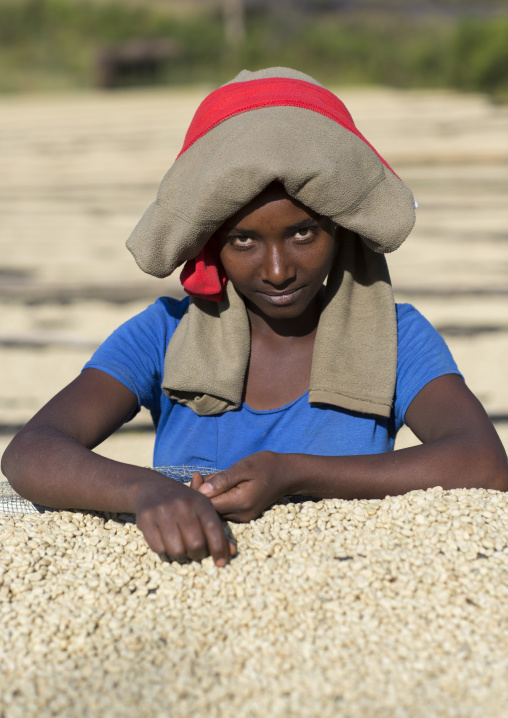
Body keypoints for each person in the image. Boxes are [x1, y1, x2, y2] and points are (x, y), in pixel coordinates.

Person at [2, 68, 507, 567]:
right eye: (243, 239)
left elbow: (483, 462)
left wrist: (293, 474)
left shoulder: (396, 337)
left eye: (303, 233)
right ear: (211, 244)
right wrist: (147, 490)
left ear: (341, 229)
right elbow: (31, 451)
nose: (278, 270)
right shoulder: (164, 333)